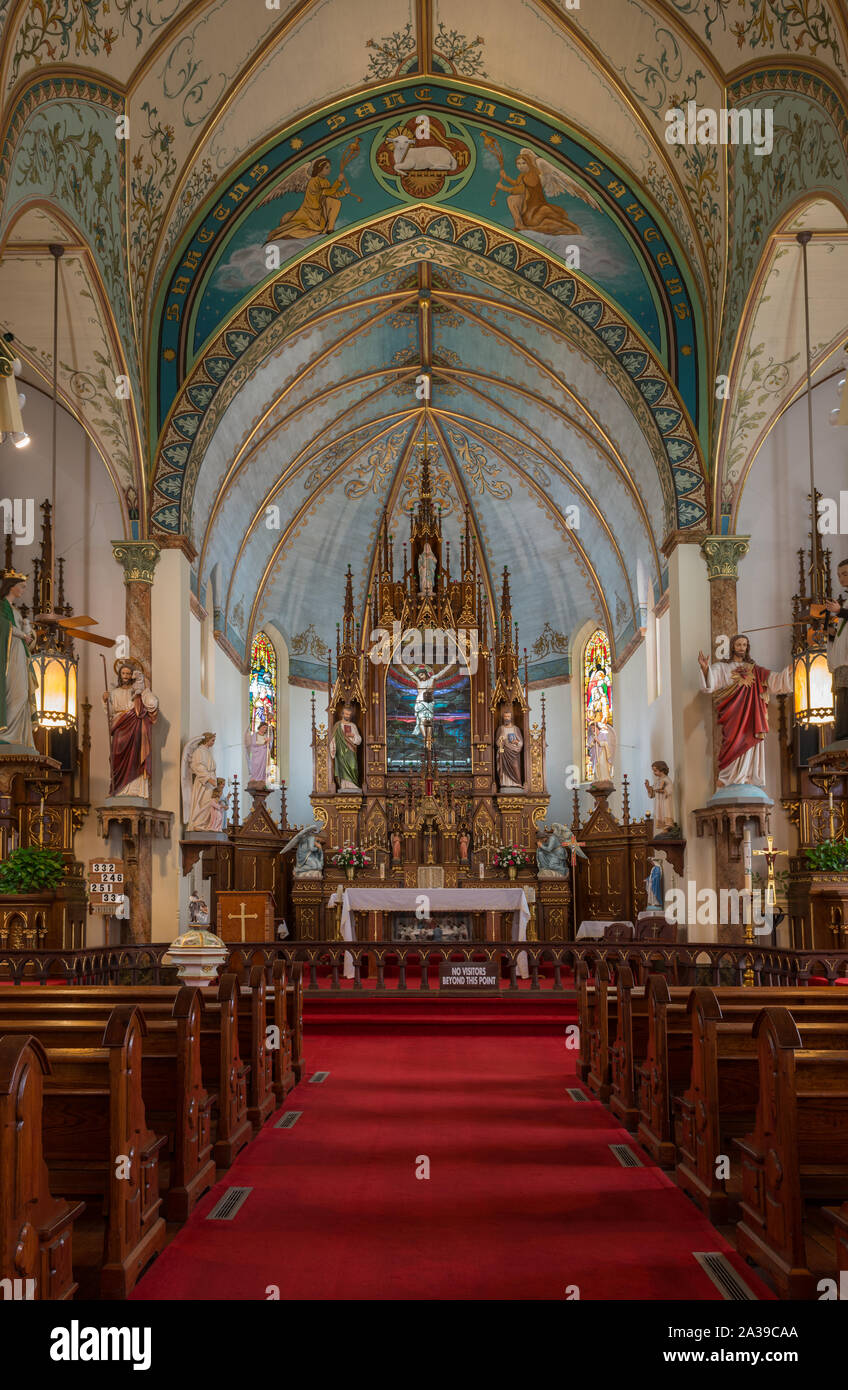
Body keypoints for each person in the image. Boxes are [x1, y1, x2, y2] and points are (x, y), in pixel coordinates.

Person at [697, 634, 792, 790]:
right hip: (732, 714)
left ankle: (747, 777)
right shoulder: (723, 667)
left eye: (744, 645)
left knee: (750, 741)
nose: (742, 647)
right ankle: (728, 777)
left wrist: (788, 671)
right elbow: (709, 685)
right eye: (739, 644)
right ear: (733, 646)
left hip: (752, 715)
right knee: (732, 742)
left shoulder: (755, 670)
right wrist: (705, 668)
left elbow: (774, 680)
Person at [104, 658, 159, 797]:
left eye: (129, 673)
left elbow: (151, 704)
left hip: (135, 726)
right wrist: (105, 701)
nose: (126, 676)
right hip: (119, 726)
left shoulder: (138, 692)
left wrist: (143, 692)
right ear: (120, 675)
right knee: (116, 756)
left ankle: (135, 790)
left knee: (135, 755)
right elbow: (110, 713)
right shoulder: (114, 693)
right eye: (123, 673)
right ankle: (117, 789)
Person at [0, 567, 36, 749]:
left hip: (19, 655)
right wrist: (22, 634)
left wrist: (27, 629)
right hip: (8, 656)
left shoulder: (15, 610)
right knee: (13, 692)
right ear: (11, 586)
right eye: (21, 586)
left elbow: (26, 639)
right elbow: (4, 627)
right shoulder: (2, 606)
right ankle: (5, 732)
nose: (23, 590)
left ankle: (15, 736)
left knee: (22, 693)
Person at [824, 558, 848, 741]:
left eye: (845, 574)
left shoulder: (844, 607)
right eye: (839, 575)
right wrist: (832, 635)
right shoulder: (846, 603)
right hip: (843, 664)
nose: (841, 578)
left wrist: (840, 612)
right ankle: (842, 736)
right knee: (842, 703)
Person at [332, 703, 361, 790]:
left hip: (351, 750)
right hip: (341, 752)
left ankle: (353, 784)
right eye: (346, 714)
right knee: (342, 769)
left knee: (353, 767)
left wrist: (353, 735)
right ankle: (344, 786)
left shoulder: (353, 725)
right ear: (342, 714)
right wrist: (332, 749)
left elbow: (359, 740)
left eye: (349, 714)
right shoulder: (337, 725)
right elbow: (333, 739)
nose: (348, 716)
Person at [496, 707, 524, 790]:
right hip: (504, 752)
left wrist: (516, 742)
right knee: (503, 768)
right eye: (505, 717)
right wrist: (501, 740)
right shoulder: (501, 728)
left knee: (515, 767)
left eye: (508, 717)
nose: (506, 718)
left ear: (511, 718)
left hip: (514, 753)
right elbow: (496, 742)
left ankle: (517, 782)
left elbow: (521, 743)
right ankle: (504, 783)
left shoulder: (516, 729)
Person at [645, 760, 675, 833]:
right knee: (660, 813)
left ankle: (668, 826)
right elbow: (652, 794)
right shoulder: (658, 781)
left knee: (666, 812)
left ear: (662, 770)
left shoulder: (666, 779)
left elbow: (670, 789)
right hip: (659, 801)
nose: (654, 773)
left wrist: (663, 791)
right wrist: (648, 787)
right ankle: (663, 828)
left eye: (655, 770)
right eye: (653, 771)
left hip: (665, 800)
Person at [245, 720, 270, 786]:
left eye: (266, 728)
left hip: (263, 755)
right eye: (264, 727)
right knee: (256, 766)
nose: (265, 729)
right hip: (256, 754)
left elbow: (268, 747)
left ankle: (262, 779)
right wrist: (264, 743)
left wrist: (267, 743)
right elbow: (253, 743)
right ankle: (255, 778)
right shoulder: (255, 735)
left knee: (263, 767)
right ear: (260, 727)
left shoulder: (265, 736)